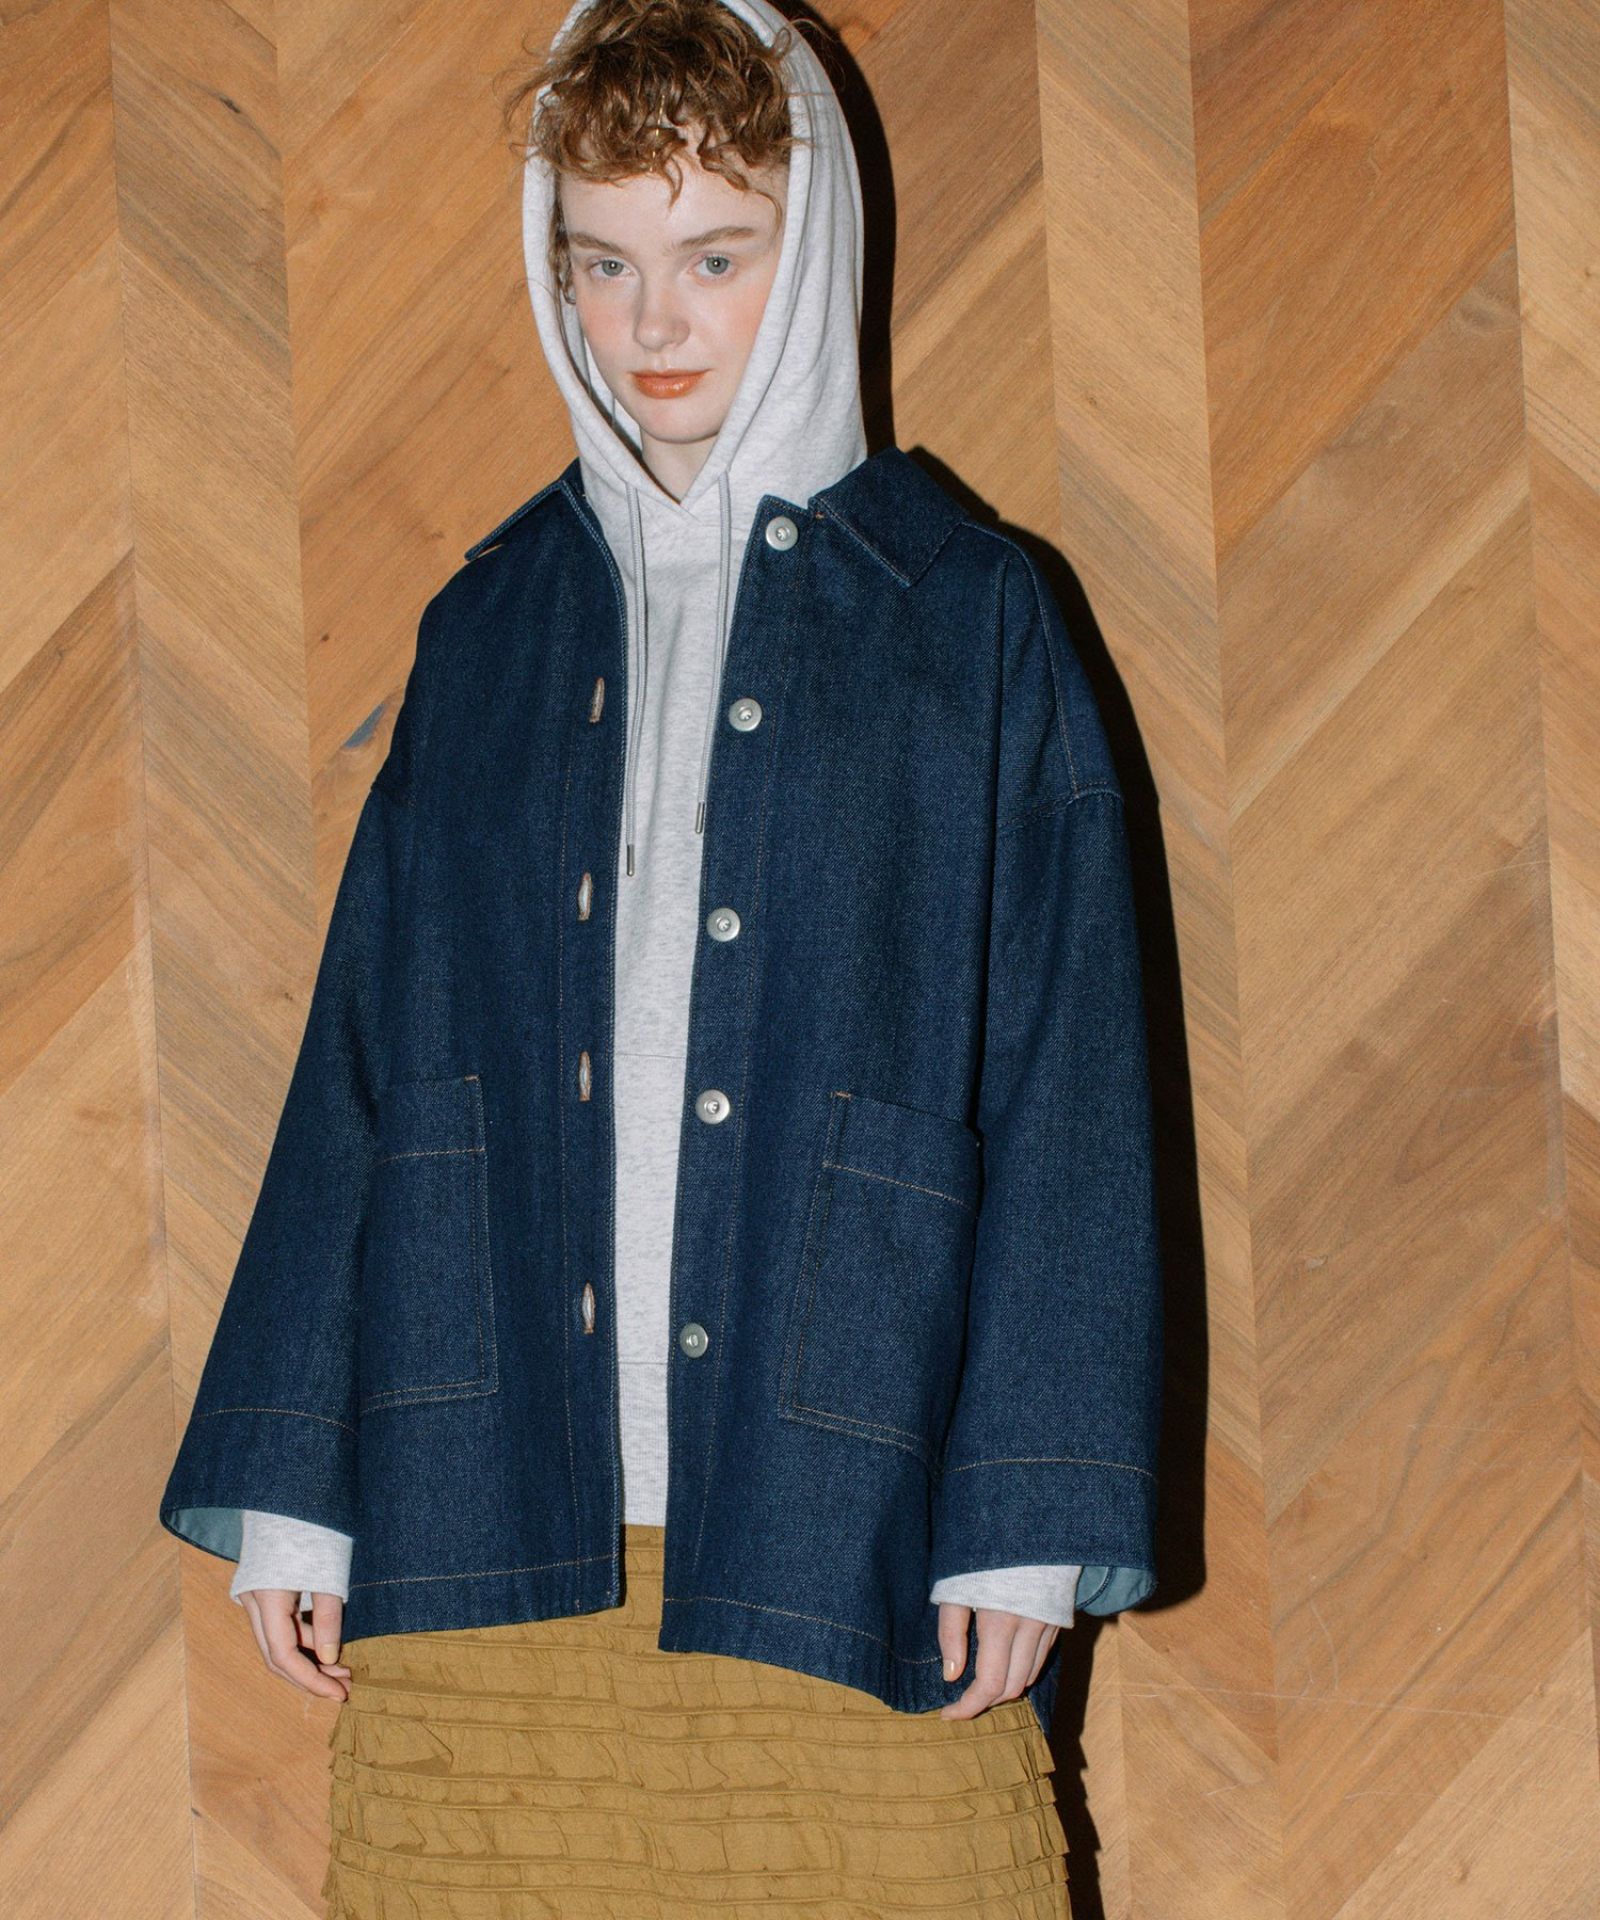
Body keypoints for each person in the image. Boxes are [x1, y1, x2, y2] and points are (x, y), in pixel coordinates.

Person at [159, 1, 1164, 1912]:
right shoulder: (487, 624)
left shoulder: (971, 618)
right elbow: (368, 1047)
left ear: (816, 244)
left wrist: (1029, 1513)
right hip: (482, 1501)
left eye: (714, 256)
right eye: (602, 263)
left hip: (848, 1504)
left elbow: (1071, 1083)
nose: (655, 322)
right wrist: (295, 1474)